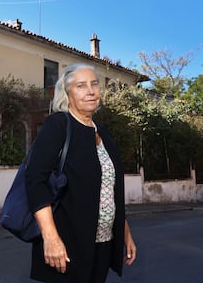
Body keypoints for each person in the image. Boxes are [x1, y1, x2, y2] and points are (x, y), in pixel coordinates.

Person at [25, 63, 136, 283]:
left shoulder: (103, 133)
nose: (91, 91)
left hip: (103, 243)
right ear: (68, 93)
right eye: (81, 86)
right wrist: (51, 238)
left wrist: (126, 234)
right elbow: (35, 181)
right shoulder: (58, 125)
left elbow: (110, 190)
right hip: (67, 243)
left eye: (94, 84)